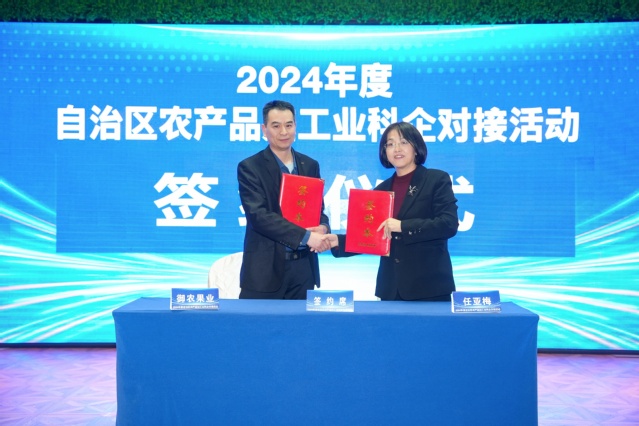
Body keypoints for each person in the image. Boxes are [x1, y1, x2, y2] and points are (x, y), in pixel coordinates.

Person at [324, 121, 458, 301]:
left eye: (403, 142)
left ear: (416, 148)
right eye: (390, 144)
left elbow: (448, 224)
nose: (397, 149)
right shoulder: (381, 190)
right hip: (391, 289)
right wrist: (337, 241)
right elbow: (370, 235)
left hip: (430, 287)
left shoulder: (436, 179)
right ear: (385, 151)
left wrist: (402, 226)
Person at [237, 100, 331, 299]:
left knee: (302, 320)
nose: (284, 132)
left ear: (295, 126)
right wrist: (306, 237)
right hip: (265, 272)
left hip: (304, 269)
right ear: (264, 129)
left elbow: (318, 209)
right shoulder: (250, 167)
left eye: (289, 125)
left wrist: (323, 228)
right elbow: (259, 216)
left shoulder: (310, 165)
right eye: (276, 126)